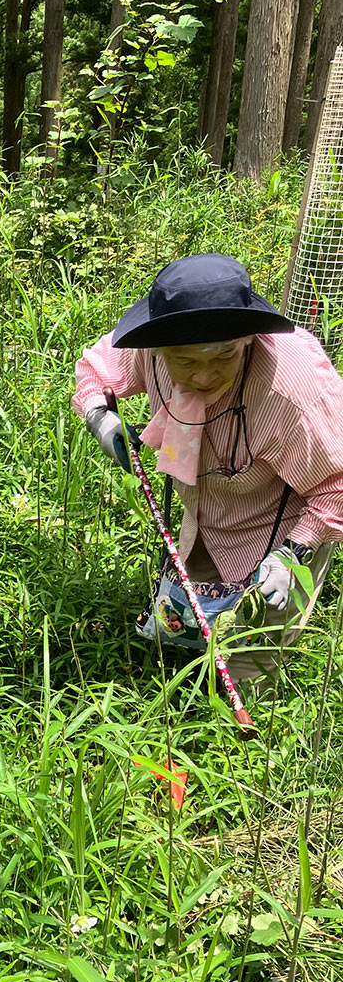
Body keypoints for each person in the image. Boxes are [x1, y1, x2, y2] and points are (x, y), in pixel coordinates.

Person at [73, 253, 343, 684]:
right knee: (182, 632)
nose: (202, 376)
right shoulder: (151, 348)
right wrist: (102, 419)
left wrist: (295, 553)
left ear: (248, 340)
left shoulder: (291, 390)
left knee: (244, 669)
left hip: (282, 525)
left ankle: (248, 747)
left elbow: (336, 485)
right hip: (206, 510)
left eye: (223, 358)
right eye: (185, 361)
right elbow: (95, 369)